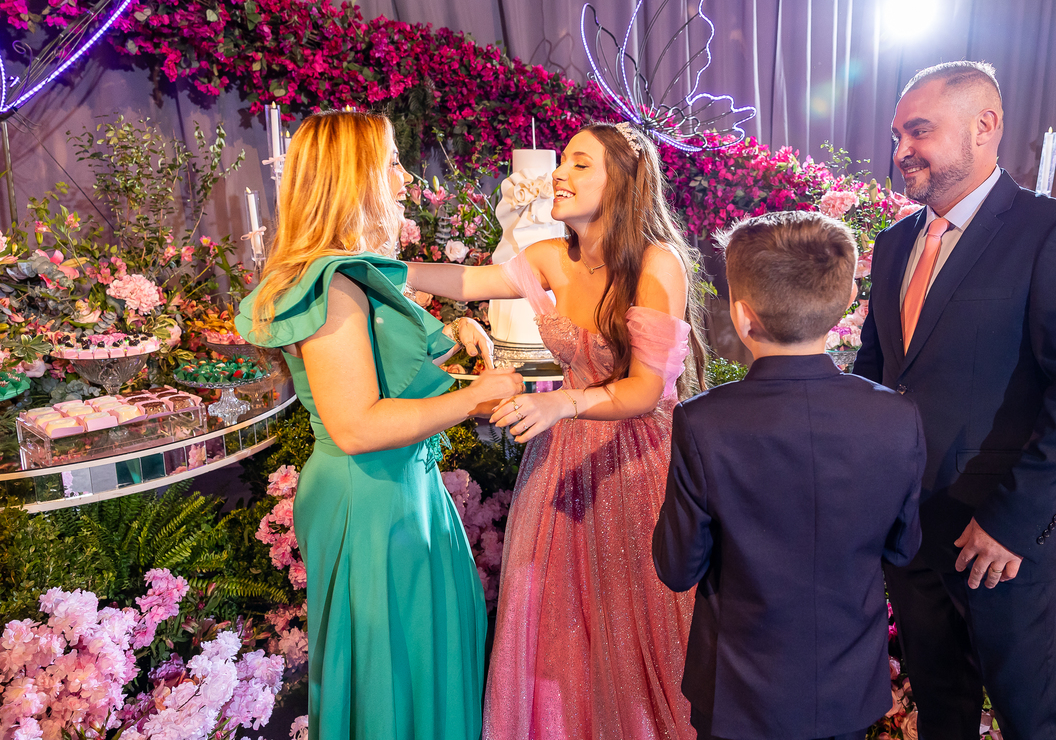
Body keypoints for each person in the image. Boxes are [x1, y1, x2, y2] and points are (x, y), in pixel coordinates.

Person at [405, 121, 706, 739]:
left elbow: (646, 392)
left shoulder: (658, 263)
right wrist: (374, 266)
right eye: (562, 161)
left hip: (637, 462)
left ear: (623, 182)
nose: (559, 175)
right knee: (557, 623)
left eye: (579, 164)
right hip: (561, 459)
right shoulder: (549, 257)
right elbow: (466, 282)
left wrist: (559, 403)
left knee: (634, 623)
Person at [852, 61, 1056, 739]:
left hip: (998, 533)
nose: (901, 150)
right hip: (908, 528)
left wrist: (1010, 518)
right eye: (896, 135)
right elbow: (877, 377)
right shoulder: (893, 245)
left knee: (1031, 716)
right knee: (940, 708)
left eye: (919, 131)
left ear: (984, 126)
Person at [235, 110, 523, 740]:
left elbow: (380, 376)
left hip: (402, 488)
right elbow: (357, 425)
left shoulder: (351, 271)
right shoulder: (331, 283)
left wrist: (453, 339)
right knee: (387, 678)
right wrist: (475, 398)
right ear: (352, 178)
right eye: (391, 162)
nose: (405, 177)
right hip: (368, 496)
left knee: (415, 664)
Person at [652, 211, 925, 740]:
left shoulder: (704, 421)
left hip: (738, 690)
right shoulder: (897, 416)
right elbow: (902, 548)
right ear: (847, 301)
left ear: (741, 316)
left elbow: (678, 566)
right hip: (846, 687)